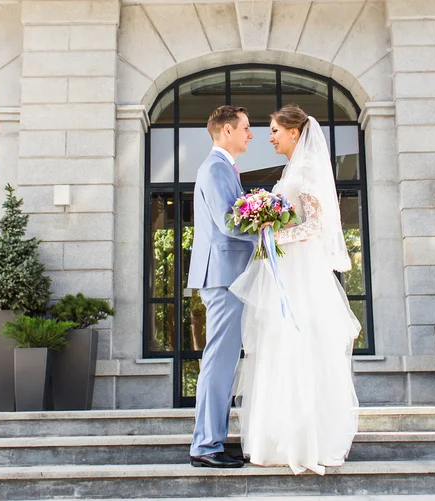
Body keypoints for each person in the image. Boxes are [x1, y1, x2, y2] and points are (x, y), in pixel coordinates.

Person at [229, 105, 361, 475]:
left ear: (293, 132)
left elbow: (316, 226)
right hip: (285, 271)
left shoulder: (304, 173)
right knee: (277, 347)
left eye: (273, 130)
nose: (269, 137)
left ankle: (306, 440)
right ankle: (276, 438)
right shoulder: (291, 170)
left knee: (300, 347)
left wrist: (274, 235)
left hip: (301, 275)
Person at [188, 105, 255, 468]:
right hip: (223, 276)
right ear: (227, 130)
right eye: (246, 127)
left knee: (225, 362)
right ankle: (205, 446)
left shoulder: (223, 167)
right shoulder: (215, 168)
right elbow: (229, 222)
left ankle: (213, 438)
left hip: (229, 275)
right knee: (219, 361)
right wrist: (267, 227)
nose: (251, 134)